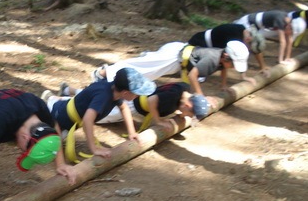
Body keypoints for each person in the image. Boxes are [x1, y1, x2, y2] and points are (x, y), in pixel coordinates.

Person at [41, 68, 156, 161]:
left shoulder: (114, 90)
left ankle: (53, 100)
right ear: (126, 93)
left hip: (70, 117)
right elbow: (87, 120)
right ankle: (47, 104)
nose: (138, 96)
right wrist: (94, 148)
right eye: (137, 93)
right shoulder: (103, 97)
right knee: (49, 147)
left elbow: (124, 107)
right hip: (58, 116)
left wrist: (132, 132)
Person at [90, 41, 250, 107]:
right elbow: (193, 75)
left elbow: (223, 69)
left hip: (178, 56)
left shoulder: (221, 59)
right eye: (233, 63)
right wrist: (201, 97)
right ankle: (103, 73)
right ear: (226, 56)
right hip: (174, 57)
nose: (232, 67)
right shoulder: (212, 59)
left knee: (145, 71)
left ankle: (110, 73)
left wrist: (223, 85)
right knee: (142, 69)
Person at [60, 82, 209, 133]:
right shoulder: (172, 97)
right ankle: (59, 101)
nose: (187, 116)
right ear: (188, 105)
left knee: (94, 98)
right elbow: (152, 100)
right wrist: (158, 120)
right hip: (132, 105)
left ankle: (68, 89)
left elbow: (179, 104)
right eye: (190, 114)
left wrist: (182, 114)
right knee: (98, 113)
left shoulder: (184, 89)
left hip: (135, 100)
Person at [188, 23, 267, 73]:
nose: (248, 50)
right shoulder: (234, 38)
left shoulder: (243, 31)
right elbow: (226, 61)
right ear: (248, 40)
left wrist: (263, 67)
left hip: (210, 44)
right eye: (249, 48)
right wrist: (244, 76)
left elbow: (256, 51)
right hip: (200, 43)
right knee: (200, 72)